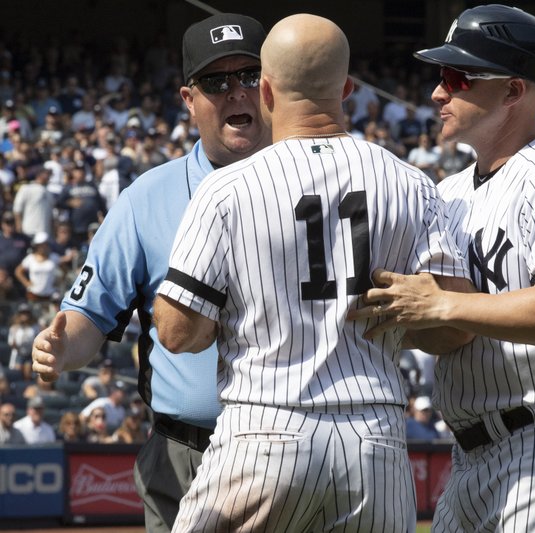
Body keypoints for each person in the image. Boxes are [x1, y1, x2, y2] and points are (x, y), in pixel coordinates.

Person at [152, 13, 472, 532]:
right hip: (375, 442)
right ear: (346, 88)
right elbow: (455, 327)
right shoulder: (412, 183)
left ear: (266, 91)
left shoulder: (228, 188)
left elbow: (177, 332)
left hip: (264, 428)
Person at [349, 5, 535, 531]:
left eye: (457, 77)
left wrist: (445, 303)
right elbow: (447, 330)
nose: (437, 93)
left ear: (513, 91)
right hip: (470, 451)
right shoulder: (448, 193)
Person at [30, 12, 271, 533]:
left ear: (272, 86)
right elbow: (88, 314)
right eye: (215, 81)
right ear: (189, 100)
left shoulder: (319, 184)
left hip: (294, 452)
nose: (236, 93)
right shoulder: (146, 198)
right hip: (184, 453)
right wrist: (59, 348)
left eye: (249, 76)